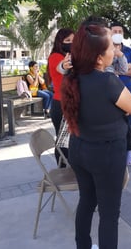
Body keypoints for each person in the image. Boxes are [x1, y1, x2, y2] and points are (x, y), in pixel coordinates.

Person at [61, 19, 131, 249]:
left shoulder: (72, 77)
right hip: (106, 154)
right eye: (110, 48)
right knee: (108, 213)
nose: (114, 51)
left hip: (80, 150)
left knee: (86, 201)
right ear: (98, 57)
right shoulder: (108, 81)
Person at [111, 21, 131, 168]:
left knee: (130, 126)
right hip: (112, 95)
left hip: (128, 92)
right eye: (114, 31)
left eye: (120, 31)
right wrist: (125, 68)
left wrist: (120, 71)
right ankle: (118, 156)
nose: (117, 34)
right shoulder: (106, 50)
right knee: (115, 127)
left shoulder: (128, 51)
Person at [47, 28, 74, 165]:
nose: (71, 43)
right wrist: (65, 65)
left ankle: (69, 166)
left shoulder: (72, 56)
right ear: (60, 42)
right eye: (67, 40)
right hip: (61, 104)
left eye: (73, 40)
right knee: (63, 139)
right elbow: (61, 67)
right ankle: (62, 167)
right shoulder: (55, 57)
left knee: (71, 139)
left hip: (70, 103)